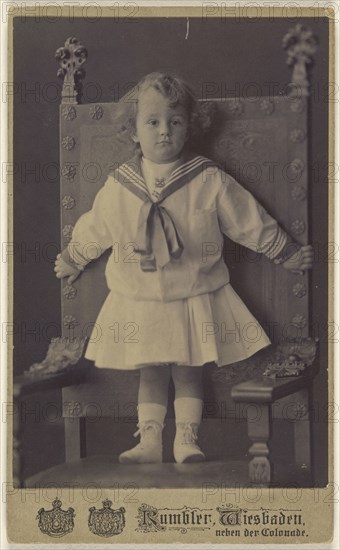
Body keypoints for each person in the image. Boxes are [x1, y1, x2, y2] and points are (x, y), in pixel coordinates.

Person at [55, 72, 313, 465]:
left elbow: (246, 219)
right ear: (133, 131)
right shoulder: (120, 185)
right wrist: (75, 256)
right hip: (139, 299)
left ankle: (188, 439)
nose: (164, 132)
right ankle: (150, 440)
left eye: (175, 123)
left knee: (189, 369)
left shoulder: (206, 178)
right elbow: (98, 225)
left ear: (188, 128)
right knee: (151, 372)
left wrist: (284, 251)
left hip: (193, 293)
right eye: (152, 122)